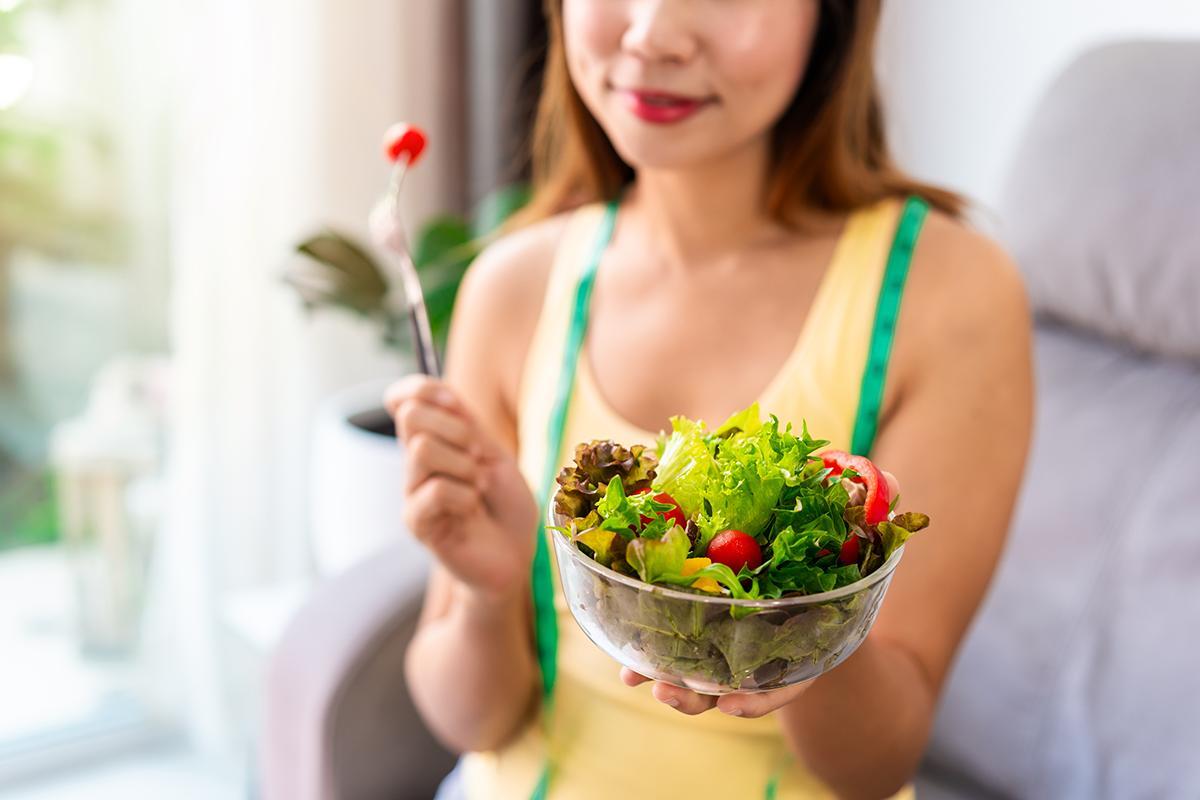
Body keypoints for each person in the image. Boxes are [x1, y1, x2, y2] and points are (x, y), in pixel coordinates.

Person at [382, 1, 1033, 797]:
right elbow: (470, 722)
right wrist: (488, 592)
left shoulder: (949, 293)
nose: (651, 32)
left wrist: (800, 641)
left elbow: (876, 764)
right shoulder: (514, 284)